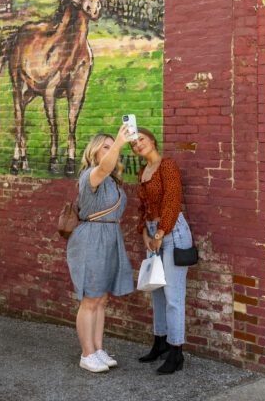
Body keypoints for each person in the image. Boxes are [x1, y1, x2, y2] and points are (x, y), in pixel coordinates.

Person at [66, 125, 135, 373]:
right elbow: (105, 166)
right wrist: (118, 142)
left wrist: (116, 145)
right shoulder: (91, 176)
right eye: (105, 147)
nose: (111, 150)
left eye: (112, 147)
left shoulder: (113, 182)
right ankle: (86, 354)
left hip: (110, 236)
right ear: (95, 153)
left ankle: (97, 348)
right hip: (91, 238)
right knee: (90, 299)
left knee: (102, 298)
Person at [132, 127, 194, 374]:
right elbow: (142, 207)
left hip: (173, 233)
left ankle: (176, 352)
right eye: (133, 144)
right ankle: (160, 343)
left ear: (152, 140)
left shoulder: (167, 166)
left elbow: (172, 201)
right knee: (155, 289)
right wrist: (145, 232)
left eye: (141, 140)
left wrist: (160, 233)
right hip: (153, 233)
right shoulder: (142, 171)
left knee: (173, 296)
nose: (138, 145)